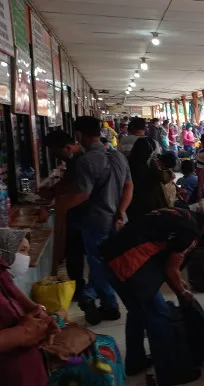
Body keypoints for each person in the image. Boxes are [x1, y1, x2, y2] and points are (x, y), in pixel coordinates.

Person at [100, 209, 204, 386]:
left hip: (111, 255)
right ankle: (171, 373)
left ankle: (135, 362)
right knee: (159, 315)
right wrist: (182, 294)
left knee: (137, 312)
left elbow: (167, 257)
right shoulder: (190, 233)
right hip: (126, 262)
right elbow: (170, 269)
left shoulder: (183, 214)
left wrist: (179, 283)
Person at [53, 117, 133, 326]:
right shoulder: (118, 157)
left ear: (78, 135)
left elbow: (82, 194)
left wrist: (58, 206)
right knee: (112, 262)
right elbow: (128, 187)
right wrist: (121, 211)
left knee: (98, 263)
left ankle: (109, 306)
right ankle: (99, 297)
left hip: (96, 220)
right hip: (118, 219)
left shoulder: (87, 161)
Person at [0, 229, 60, 386]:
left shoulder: (2, 271)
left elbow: (23, 301)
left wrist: (42, 317)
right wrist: (23, 332)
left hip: (28, 377)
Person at [43, 131, 87, 298]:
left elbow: (79, 190)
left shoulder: (81, 161)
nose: (56, 157)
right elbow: (68, 181)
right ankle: (78, 286)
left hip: (81, 210)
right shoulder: (73, 159)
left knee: (75, 250)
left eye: (56, 152)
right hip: (75, 210)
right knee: (74, 251)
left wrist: (53, 208)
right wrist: (53, 191)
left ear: (67, 147)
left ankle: (80, 290)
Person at [126, 137, 173, 220]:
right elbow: (165, 178)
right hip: (150, 207)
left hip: (132, 205)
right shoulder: (149, 165)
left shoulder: (128, 162)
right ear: (149, 151)